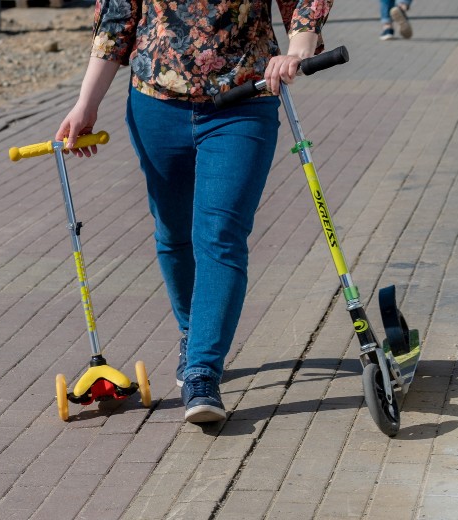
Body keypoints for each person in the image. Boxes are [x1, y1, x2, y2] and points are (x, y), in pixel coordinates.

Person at [55, 0, 333, 423]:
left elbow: (306, 6)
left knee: (220, 234)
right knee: (173, 232)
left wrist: (296, 52)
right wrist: (86, 103)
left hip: (243, 98)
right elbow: (116, 18)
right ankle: (193, 332)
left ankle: (203, 369)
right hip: (155, 104)